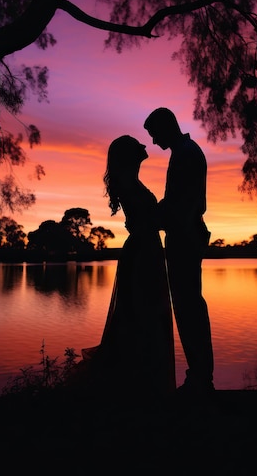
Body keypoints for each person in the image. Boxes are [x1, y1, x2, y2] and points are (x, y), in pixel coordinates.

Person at [73, 135, 176, 401]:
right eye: (138, 145)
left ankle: (144, 379)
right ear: (130, 155)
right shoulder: (129, 182)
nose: (145, 146)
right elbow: (143, 221)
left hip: (147, 250)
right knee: (140, 311)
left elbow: (145, 219)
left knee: (145, 312)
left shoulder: (133, 180)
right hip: (142, 252)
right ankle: (138, 382)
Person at [144, 108, 214, 397]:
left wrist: (150, 217)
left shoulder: (186, 153)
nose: (153, 141)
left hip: (184, 239)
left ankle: (199, 377)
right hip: (184, 237)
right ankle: (198, 375)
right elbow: (176, 201)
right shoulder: (184, 151)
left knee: (188, 307)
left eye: (154, 134)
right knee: (188, 306)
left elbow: (182, 203)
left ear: (166, 127)